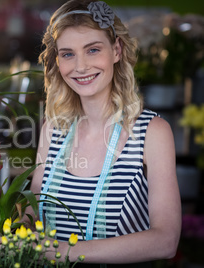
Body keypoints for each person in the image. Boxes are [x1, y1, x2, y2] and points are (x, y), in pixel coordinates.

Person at [29, 0, 181, 266]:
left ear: (116, 50)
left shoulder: (152, 133)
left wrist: (66, 251)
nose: (81, 66)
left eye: (93, 50)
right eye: (67, 54)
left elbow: (166, 240)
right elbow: (30, 216)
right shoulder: (53, 129)